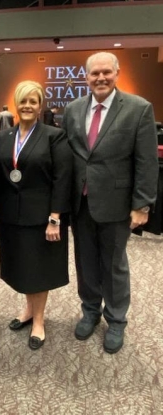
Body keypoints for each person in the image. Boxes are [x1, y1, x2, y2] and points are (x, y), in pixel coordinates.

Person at [62, 52, 158, 354]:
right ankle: (90, 310)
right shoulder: (73, 108)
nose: (100, 78)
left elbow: (146, 160)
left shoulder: (138, 109)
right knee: (85, 260)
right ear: (86, 77)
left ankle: (116, 319)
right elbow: (68, 156)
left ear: (116, 73)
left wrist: (142, 204)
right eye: (94, 74)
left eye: (106, 72)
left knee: (114, 263)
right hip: (80, 202)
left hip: (117, 203)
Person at [0, 80, 72, 350]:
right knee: (22, 267)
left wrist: (55, 218)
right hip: (11, 217)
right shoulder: (3, 137)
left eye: (33, 101)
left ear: (40, 106)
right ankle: (28, 310)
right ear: (16, 104)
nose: (28, 106)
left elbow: (63, 179)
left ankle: (39, 320)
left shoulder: (53, 135)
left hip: (41, 218)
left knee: (39, 269)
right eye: (23, 101)